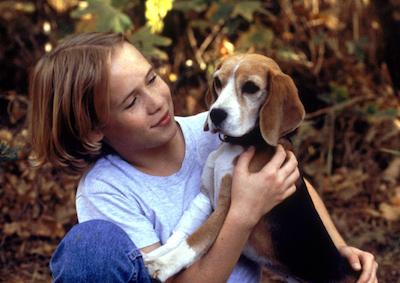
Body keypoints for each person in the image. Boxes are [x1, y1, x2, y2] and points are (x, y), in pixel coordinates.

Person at [29, 32, 378, 283]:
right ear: (94, 129)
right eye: (131, 102)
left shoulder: (221, 131)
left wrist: (339, 250)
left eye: (151, 79)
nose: (156, 101)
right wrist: (242, 213)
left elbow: (290, 180)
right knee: (90, 247)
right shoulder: (105, 190)